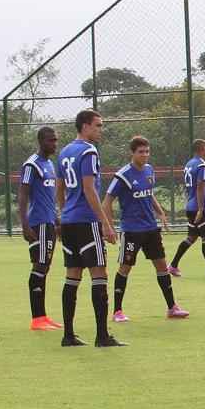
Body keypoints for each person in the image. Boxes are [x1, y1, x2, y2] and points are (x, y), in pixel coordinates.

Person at [102, 136, 189, 322]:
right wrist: (108, 226)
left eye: (147, 151)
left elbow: (149, 194)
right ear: (132, 153)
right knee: (125, 268)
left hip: (150, 228)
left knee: (161, 266)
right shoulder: (123, 175)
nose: (145, 155)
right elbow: (107, 201)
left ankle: (172, 307)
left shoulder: (149, 171)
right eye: (141, 152)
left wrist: (160, 213)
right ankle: (117, 311)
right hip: (132, 230)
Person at [57, 109, 124, 347]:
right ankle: (102, 336)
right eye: (98, 125)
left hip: (68, 221)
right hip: (86, 221)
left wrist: (64, 213)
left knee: (72, 275)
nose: (100, 130)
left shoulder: (64, 151)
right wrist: (106, 224)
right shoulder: (89, 151)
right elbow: (89, 189)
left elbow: (60, 188)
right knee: (99, 274)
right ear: (85, 126)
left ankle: (68, 335)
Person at [19, 126, 63, 331]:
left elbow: (49, 197)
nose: (54, 144)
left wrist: (57, 220)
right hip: (38, 223)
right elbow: (23, 195)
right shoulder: (31, 165)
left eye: (55, 140)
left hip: (49, 222)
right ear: (40, 141)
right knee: (39, 265)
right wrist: (25, 225)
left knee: (44, 266)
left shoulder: (49, 164)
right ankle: (37, 318)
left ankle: (42, 316)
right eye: (50, 140)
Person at [168, 139, 205, 278]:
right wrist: (201, 208)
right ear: (203, 148)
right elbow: (200, 186)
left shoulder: (189, 164)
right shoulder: (202, 166)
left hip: (190, 205)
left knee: (191, 237)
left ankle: (173, 266)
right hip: (202, 207)